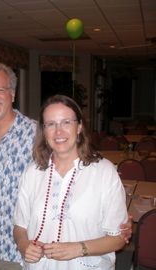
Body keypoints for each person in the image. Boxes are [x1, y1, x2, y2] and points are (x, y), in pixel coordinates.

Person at [0, 62, 133, 270]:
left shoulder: (38, 134)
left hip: (27, 252)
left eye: (0, 89)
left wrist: (116, 226)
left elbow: (76, 172)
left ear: (12, 94)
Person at [13, 94, 128, 269]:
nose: (58, 131)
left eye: (66, 122)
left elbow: (118, 238)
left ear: (79, 126)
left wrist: (79, 248)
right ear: (44, 131)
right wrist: (23, 245)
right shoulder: (32, 172)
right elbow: (20, 226)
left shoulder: (104, 172)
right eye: (51, 124)